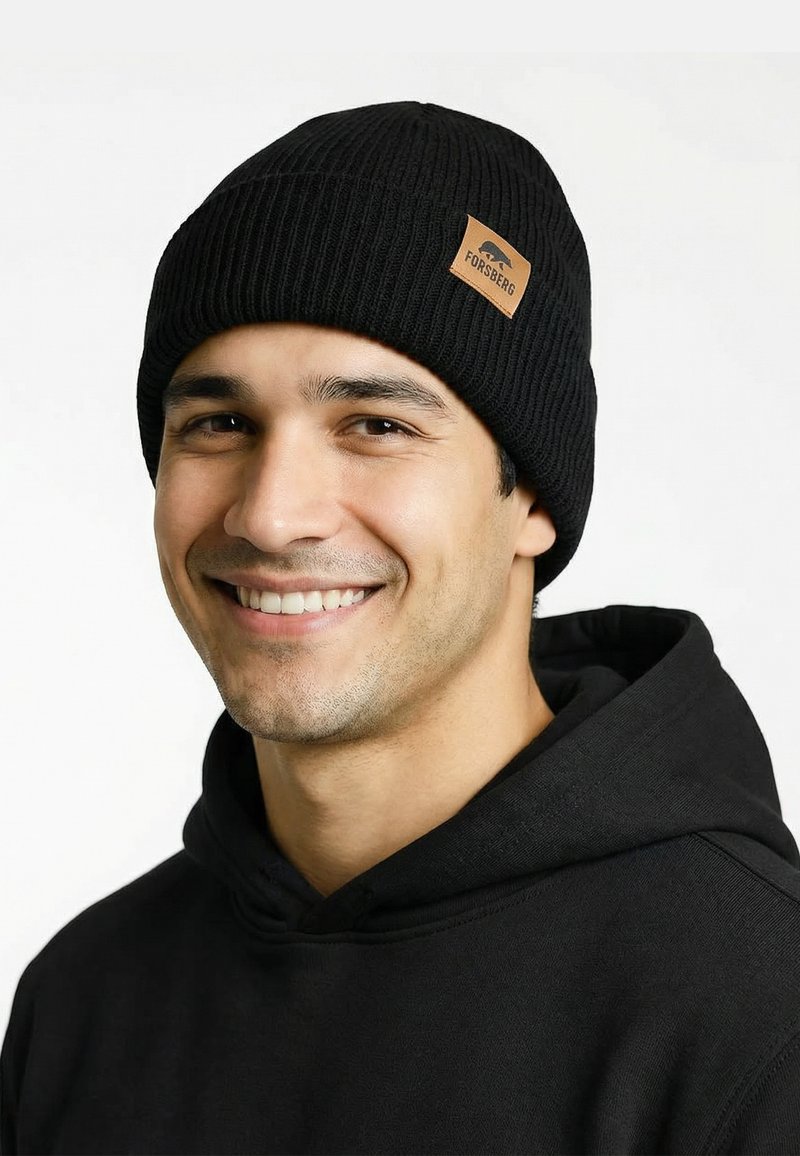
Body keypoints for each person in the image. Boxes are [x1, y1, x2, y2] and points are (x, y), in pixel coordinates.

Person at [2, 100, 799, 1156]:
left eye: (375, 425)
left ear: (533, 498)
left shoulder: (757, 1015)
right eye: (220, 423)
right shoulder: (82, 1002)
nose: (270, 515)